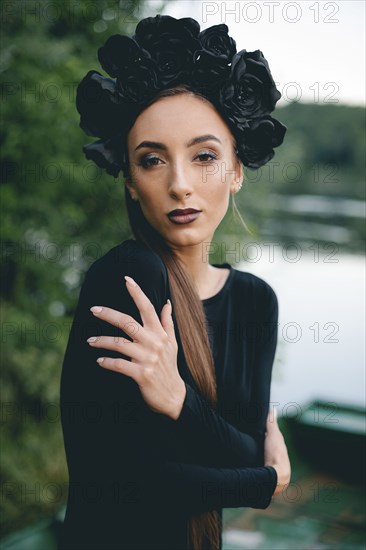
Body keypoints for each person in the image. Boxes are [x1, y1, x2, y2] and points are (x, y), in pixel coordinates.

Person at [59, 14, 291, 550]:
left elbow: (243, 450)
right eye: (152, 160)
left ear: (236, 170)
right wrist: (267, 483)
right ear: (132, 183)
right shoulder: (126, 278)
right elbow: (121, 485)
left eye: (204, 156)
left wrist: (178, 401)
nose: (180, 184)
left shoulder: (256, 300)